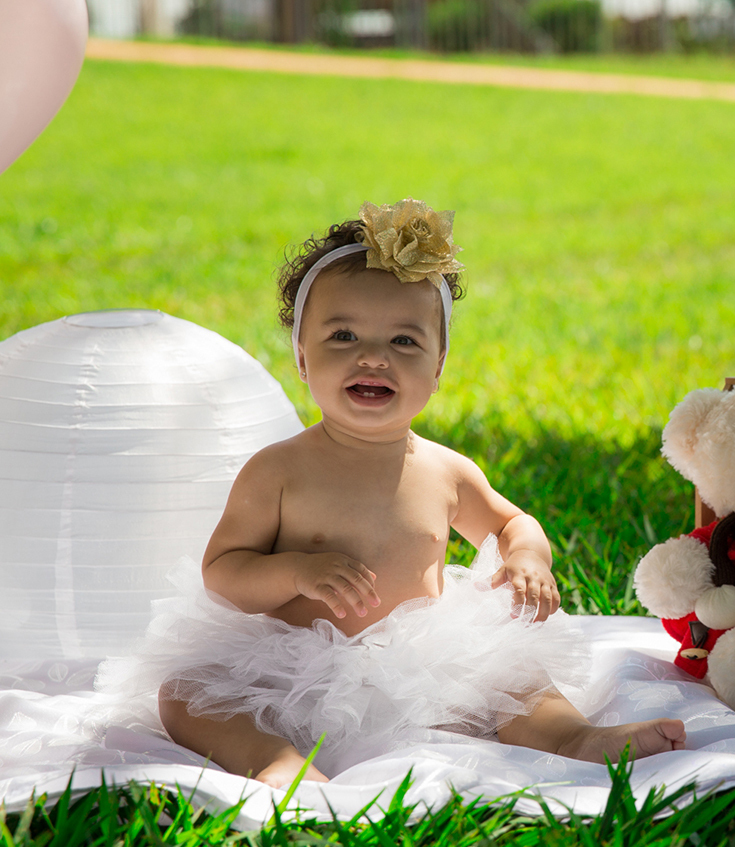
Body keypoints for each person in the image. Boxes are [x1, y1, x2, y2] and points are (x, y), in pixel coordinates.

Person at [99, 200, 685, 788]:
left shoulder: (446, 471)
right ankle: (277, 761)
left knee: (515, 679)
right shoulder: (278, 470)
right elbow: (224, 572)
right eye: (343, 335)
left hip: (423, 662)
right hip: (291, 665)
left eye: (404, 341)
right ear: (302, 357)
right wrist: (296, 572)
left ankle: (572, 737)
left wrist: (527, 557)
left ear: (438, 366)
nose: (373, 356)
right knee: (186, 696)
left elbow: (512, 523)